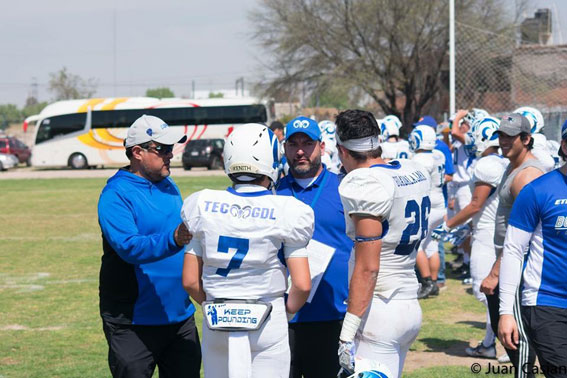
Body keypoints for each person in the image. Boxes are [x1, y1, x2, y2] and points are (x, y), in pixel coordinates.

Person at [181, 123, 313, 378]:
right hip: (267, 318)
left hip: (216, 320)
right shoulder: (288, 210)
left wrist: (215, 304)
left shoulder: (202, 204)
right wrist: (283, 313)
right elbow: (303, 285)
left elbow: (189, 280)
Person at [97, 115, 201, 378]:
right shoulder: (115, 194)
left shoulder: (168, 184)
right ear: (137, 152)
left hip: (179, 317)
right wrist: (172, 238)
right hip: (133, 322)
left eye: (171, 149)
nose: (170, 155)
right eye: (162, 149)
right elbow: (128, 247)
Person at [335, 109, 430, 378]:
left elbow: (368, 268)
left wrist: (347, 332)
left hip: (379, 310)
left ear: (342, 150)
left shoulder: (365, 182)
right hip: (408, 304)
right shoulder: (412, 169)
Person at [276, 116, 353, 378]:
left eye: (307, 143)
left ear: (321, 146)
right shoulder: (272, 194)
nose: (300, 151)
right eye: (293, 143)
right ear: (284, 148)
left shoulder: (345, 188)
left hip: (332, 313)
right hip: (283, 317)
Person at [433, 116, 508, 358]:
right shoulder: (499, 162)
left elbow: (476, 204)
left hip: (489, 236)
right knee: (491, 292)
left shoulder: (487, 165)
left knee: (484, 290)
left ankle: (508, 341)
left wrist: (449, 224)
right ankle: (489, 343)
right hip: (490, 230)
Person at [498, 120, 567, 378]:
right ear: (564, 146)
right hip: (546, 303)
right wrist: (506, 312)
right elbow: (513, 251)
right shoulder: (538, 190)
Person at [480, 113, 546, 378]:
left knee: (515, 337)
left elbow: (523, 237)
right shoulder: (513, 166)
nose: (503, 141)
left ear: (526, 138)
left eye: (510, 136)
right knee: (507, 332)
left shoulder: (527, 176)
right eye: (501, 135)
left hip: (518, 265)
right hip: (508, 262)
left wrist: (496, 273)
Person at [408, 125, 446, 299]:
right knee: (432, 245)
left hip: (427, 203)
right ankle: (435, 282)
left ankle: (426, 282)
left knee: (417, 244)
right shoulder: (438, 155)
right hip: (439, 201)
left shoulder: (420, 159)